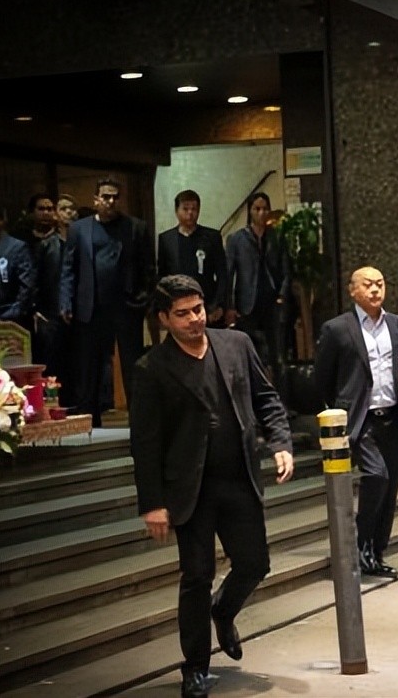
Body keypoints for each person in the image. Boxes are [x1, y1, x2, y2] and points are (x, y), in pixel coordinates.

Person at [130, 275, 294, 698]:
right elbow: (145, 443)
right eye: (182, 314)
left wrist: (280, 443)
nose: (194, 319)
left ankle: (224, 610)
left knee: (255, 563)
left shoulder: (235, 344)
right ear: (164, 319)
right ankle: (195, 667)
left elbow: (266, 398)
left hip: (238, 477)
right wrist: (152, 503)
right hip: (191, 488)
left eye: (198, 309)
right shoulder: (151, 368)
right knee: (197, 575)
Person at [313, 266, 398, 578]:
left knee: (390, 488)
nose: (375, 290)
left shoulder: (397, 325)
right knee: (376, 476)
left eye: (380, 284)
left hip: (390, 415)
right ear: (353, 290)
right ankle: (359, 545)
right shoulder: (337, 329)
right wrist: (341, 409)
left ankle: (376, 552)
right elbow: (323, 377)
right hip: (359, 418)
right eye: (368, 285)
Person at [59, 177, 153, 427]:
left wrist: (144, 300)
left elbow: (148, 268)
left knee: (133, 366)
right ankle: (90, 420)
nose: (110, 201)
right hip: (91, 307)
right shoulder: (79, 229)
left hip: (127, 307)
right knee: (89, 367)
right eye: (105, 197)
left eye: (115, 197)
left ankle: (140, 420)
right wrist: (65, 301)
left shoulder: (136, 227)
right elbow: (68, 268)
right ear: (96, 200)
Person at [226, 192, 290, 386]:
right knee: (249, 352)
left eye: (265, 209)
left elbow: (286, 269)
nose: (261, 213)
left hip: (271, 300)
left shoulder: (276, 237)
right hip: (247, 302)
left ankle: (280, 396)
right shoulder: (237, 239)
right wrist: (230, 305)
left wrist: (282, 295)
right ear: (250, 211)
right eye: (257, 209)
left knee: (277, 353)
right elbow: (229, 274)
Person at [157, 190, 229, 328]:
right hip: (178, 305)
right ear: (176, 211)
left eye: (194, 209)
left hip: (207, 304)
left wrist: (219, 305)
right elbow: (162, 276)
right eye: (185, 209)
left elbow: (222, 274)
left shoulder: (212, 237)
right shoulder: (166, 239)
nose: (190, 213)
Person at [26, 194, 66, 383]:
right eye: (41, 209)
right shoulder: (23, 242)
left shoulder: (60, 244)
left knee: (54, 365)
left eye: (50, 209)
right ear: (32, 212)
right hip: (26, 314)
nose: (46, 213)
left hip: (53, 315)